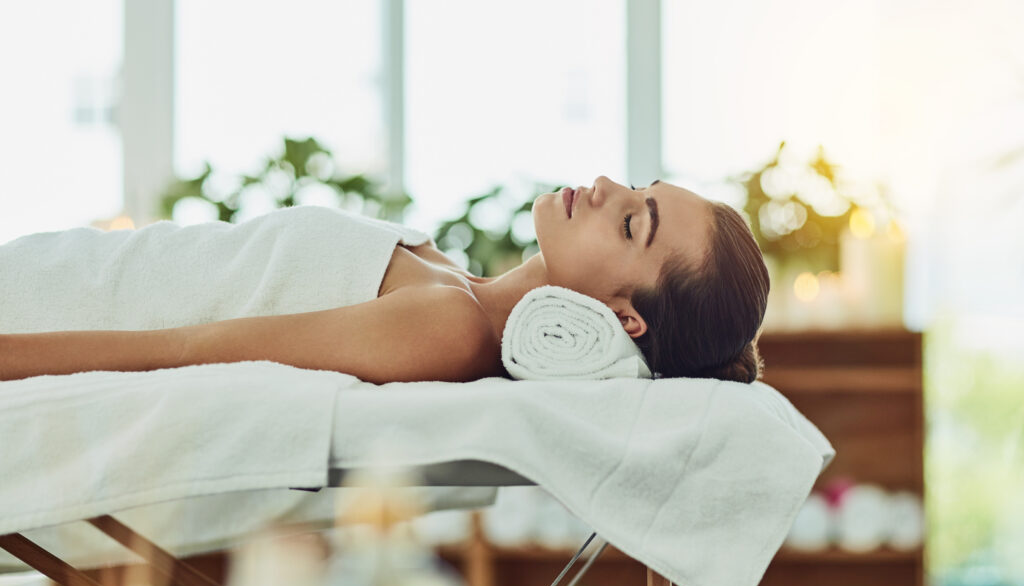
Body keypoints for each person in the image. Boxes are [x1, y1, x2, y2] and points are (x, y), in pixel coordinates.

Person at [0, 176, 769, 384]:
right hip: (62, 271)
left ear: (627, 318)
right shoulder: (450, 282)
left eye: (633, 224)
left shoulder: (450, 329)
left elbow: (186, 350)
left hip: (45, 316)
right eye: (637, 186)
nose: (604, 186)